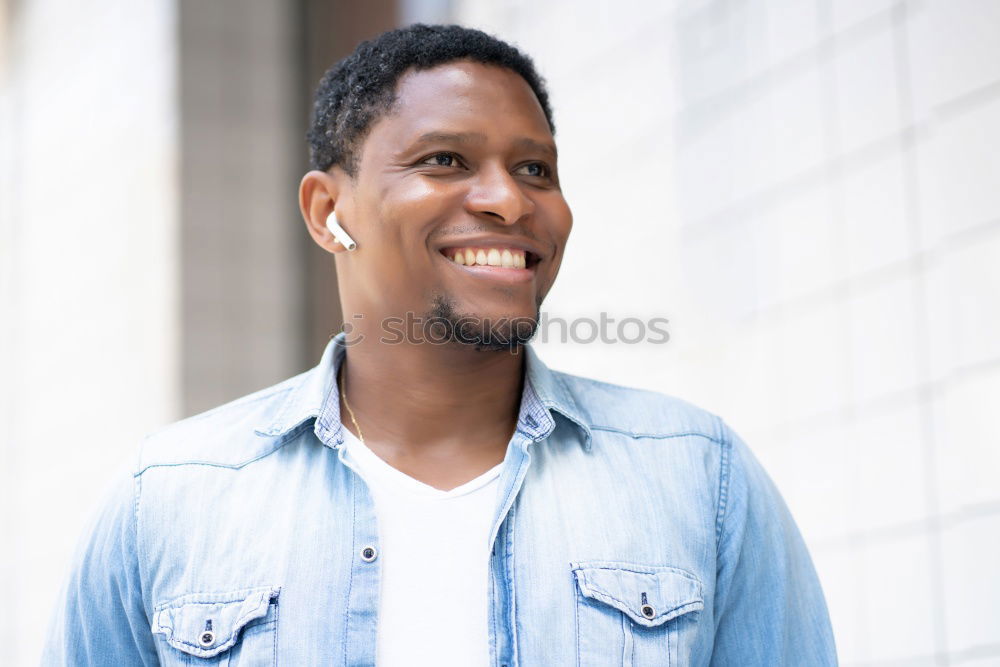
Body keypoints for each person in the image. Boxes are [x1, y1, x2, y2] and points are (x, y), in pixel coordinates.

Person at [43, 23, 837, 666]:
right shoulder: (173, 497)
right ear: (328, 211)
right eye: (445, 160)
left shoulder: (699, 475)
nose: (507, 199)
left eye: (534, 168)